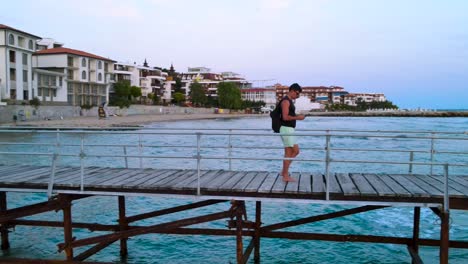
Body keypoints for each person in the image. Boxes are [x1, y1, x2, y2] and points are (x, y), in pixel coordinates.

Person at [279, 83, 305, 182]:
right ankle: (285, 175)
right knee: (289, 152)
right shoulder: (286, 101)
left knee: (296, 151)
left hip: (289, 129)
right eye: (297, 94)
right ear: (292, 91)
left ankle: (284, 171)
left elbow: (289, 115)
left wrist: (298, 116)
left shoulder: (289, 101)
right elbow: (285, 117)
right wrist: (298, 118)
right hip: (286, 129)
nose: (297, 96)